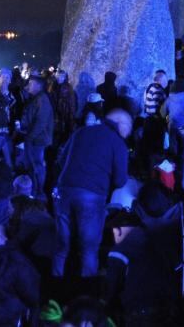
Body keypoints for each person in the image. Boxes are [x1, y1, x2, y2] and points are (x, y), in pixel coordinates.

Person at [52, 109, 131, 278]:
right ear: (120, 124)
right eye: (128, 126)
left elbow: (60, 160)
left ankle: (54, 286)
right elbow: (120, 180)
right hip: (91, 196)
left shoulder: (81, 132)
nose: (129, 131)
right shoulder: (118, 143)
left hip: (64, 191)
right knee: (89, 249)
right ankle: (87, 292)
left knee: (61, 246)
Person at [103, 210, 178, 325]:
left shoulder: (120, 251)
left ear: (118, 230)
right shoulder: (157, 245)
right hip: (166, 310)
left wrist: (105, 308)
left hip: (137, 313)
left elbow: (111, 287)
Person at [19, 74, 54, 197]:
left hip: (37, 139)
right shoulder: (36, 98)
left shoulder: (42, 100)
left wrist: (29, 137)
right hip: (34, 138)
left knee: (37, 165)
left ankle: (39, 191)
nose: (28, 85)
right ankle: (34, 189)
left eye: (31, 83)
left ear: (38, 86)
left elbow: (41, 122)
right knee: (33, 165)